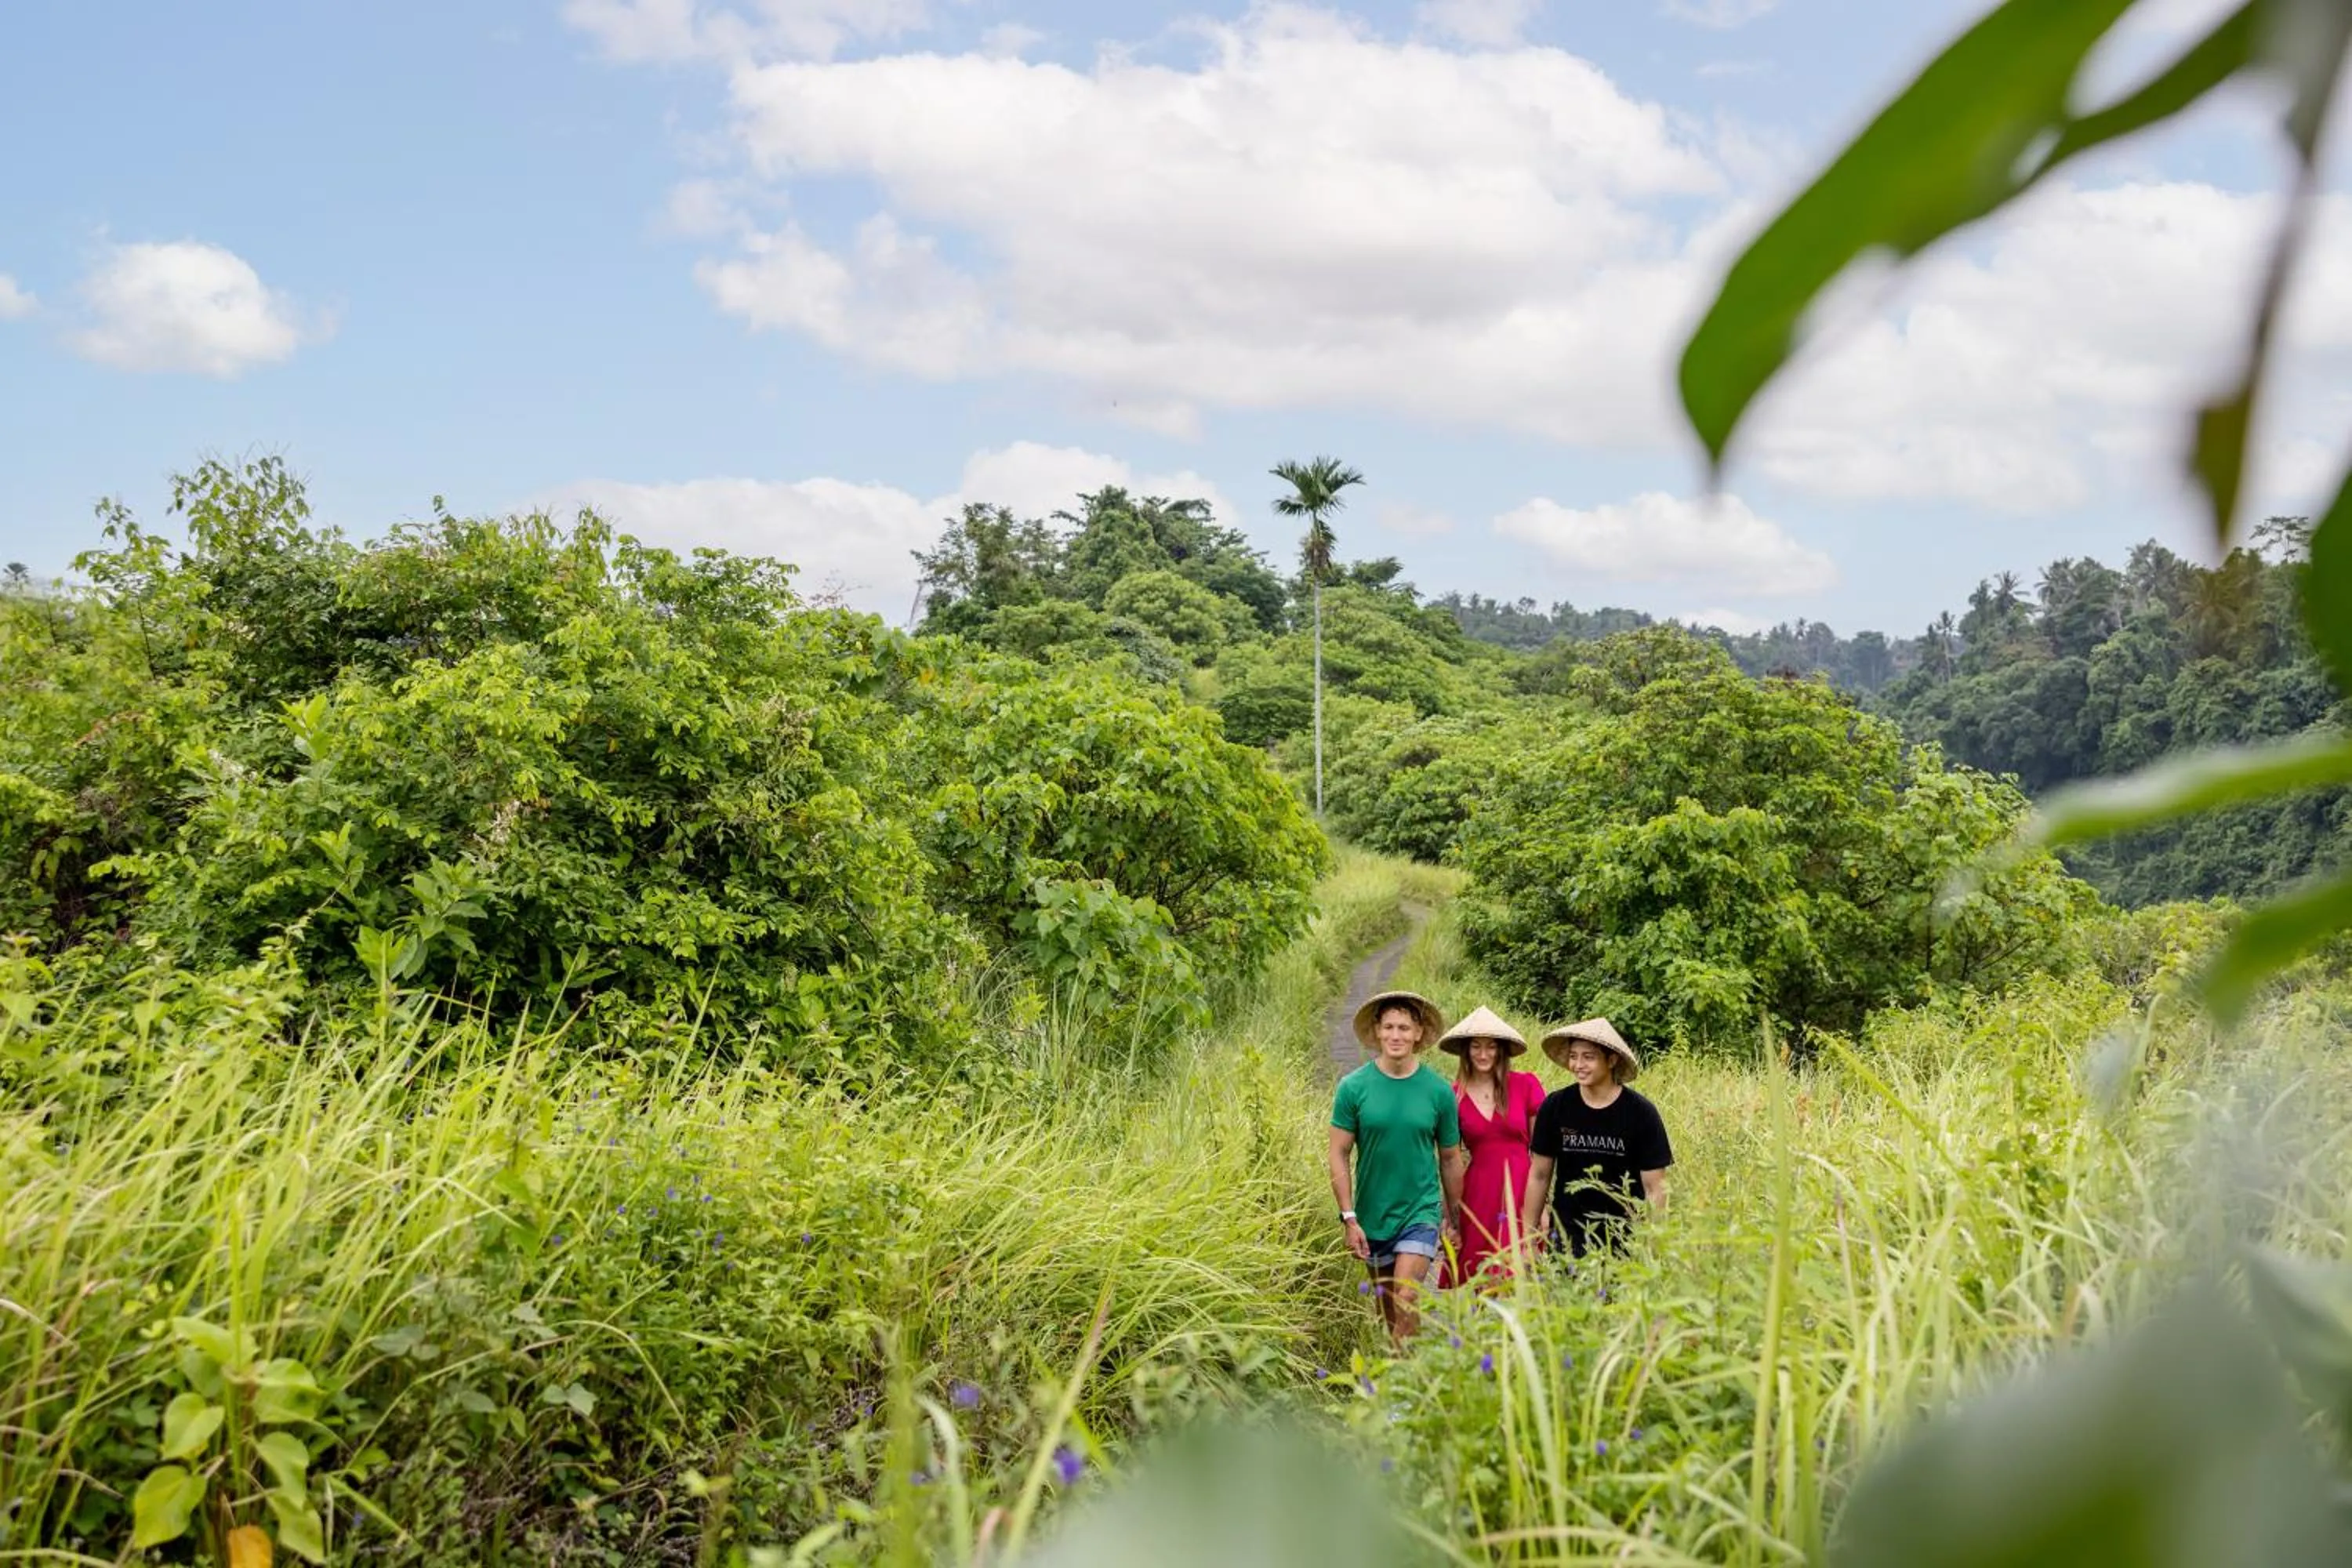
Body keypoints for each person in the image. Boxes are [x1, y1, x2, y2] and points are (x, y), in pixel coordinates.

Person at [1329, 989, 1463, 1341]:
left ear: (1419, 1033)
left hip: (1420, 1210)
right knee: (1389, 1309)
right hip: (1373, 1214)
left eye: (1404, 1028)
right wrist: (1348, 1217)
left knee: (1407, 1296)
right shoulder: (1353, 1088)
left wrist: (1454, 1215)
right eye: (1388, 1027)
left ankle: (1412, 1389)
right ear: (1377, 1032)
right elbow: (1338, 1153)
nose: (1396, 1036)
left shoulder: (1438, 1091)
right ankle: (1398, 1378)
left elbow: (1450, 1157)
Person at [1519, 1018, 1671, 1258]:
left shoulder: (1641, 1113)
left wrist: (1652, 1248)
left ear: (1611, 1060)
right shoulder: (1556, 1107)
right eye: (1573, 1056)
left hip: (1624, 1242)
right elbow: (1539, 1175)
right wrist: (1527, 1240)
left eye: (1588, 1057)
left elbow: (1656, 1189)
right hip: (1567, 1241)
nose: (1578, 1065)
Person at [1433, 1005, 1547, 1288]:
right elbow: (1449, 1160)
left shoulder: (1526, 1085)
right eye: (1476, 1047)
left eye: (1491, 1047)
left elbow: (1543, 1154)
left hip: (1523, 1190)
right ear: (1466, 1051)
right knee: (1481, 1282)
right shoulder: (1453, 1095)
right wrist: (1451, 1219)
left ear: (1502, 1050)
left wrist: (1544, 1206)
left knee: (1517, 1278)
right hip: (1479, 1194)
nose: (1483, 1054)